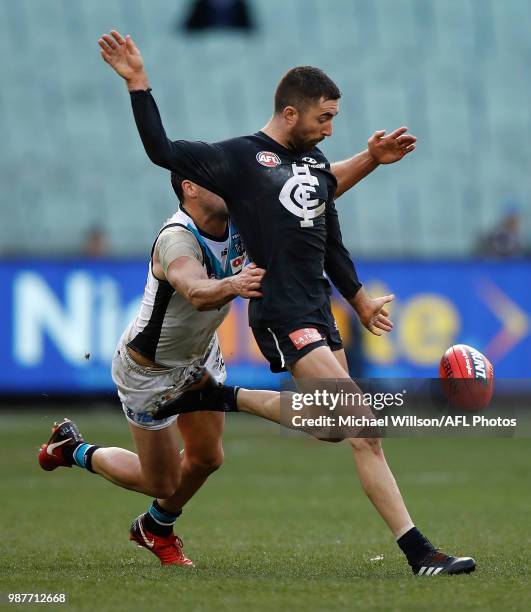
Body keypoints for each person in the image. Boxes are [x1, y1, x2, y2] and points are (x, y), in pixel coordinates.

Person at [93, 29, 475, 576]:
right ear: (291, 113)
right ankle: (421, 554)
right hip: (281, 312)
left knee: (329, 427)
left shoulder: (315, 166)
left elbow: (330, 241)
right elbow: (163, 151)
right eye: (325, 117)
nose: (330, 128)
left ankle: (225, 396)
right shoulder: (240, 161)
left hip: (318, 308)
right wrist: (138, 82)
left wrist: (360, 299)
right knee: (364, 425)